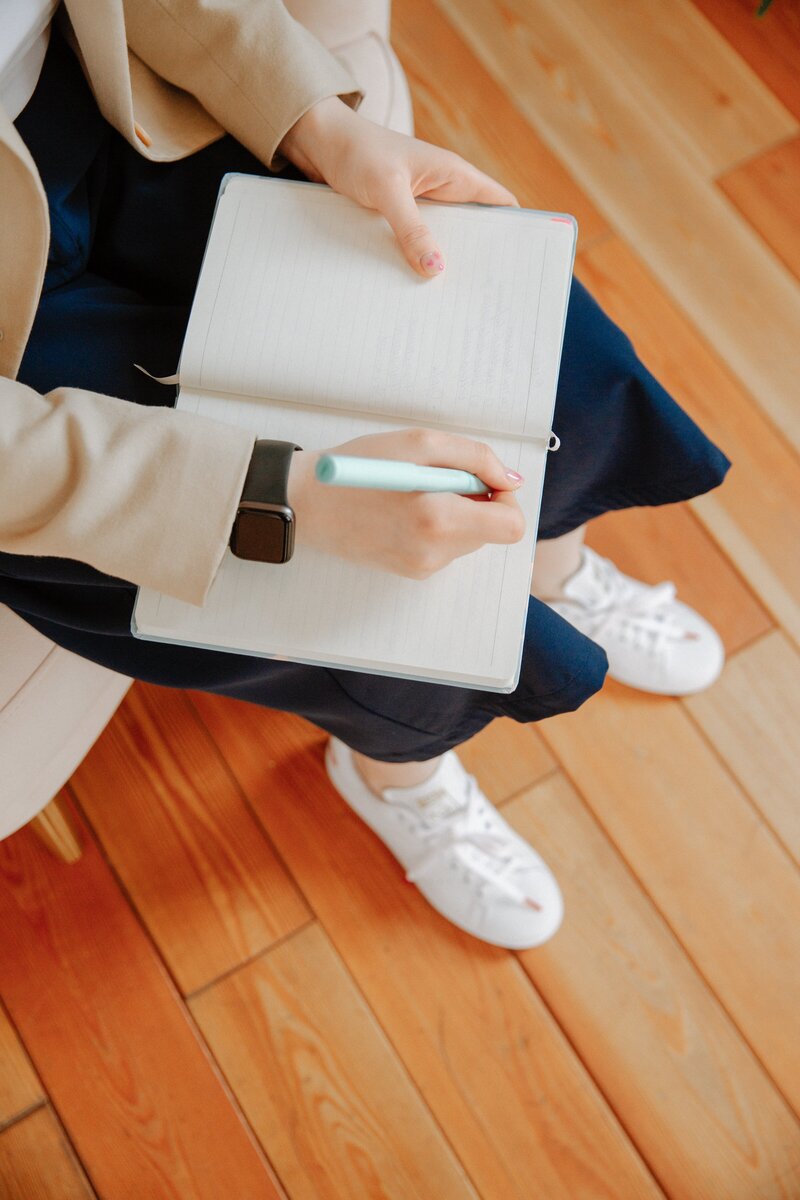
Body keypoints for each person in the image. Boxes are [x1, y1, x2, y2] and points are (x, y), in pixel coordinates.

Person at [0, 0, 730, 951]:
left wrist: (315, 118)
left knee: (529, 349)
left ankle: (550, 562)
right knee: (356, 606)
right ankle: (399, 775)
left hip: (108, 106)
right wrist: (270, 495)